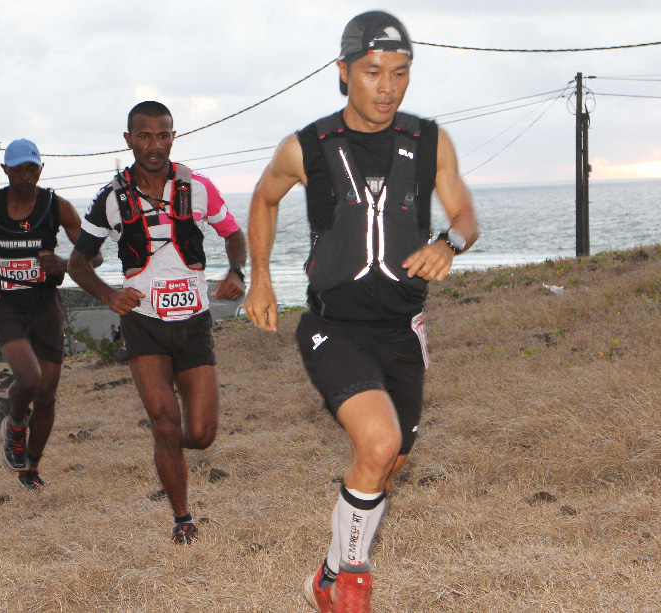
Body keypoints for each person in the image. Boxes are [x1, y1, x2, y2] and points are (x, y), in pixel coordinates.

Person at [242, 12, 480, 612]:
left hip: (402, 329)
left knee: (388, 463)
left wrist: (447, 244)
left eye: (400, 73)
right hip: (333, 327)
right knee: (377, 444)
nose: (388, 87)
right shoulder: (307, 148)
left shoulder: (430, 143)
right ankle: (349, 589)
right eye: (373, 72)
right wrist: (261, 278)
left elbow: (465, 217)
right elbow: (264, 199)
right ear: (343, 72)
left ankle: (326, 573)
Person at [68, 101, 246, 545]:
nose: (154, 145)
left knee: (200, 435)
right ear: (128, 140)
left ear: (172, 136)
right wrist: (109, 294)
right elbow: (77, 262)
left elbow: (234, 234)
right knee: (165, 422)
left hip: (193, 321)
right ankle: (182, 517)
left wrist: (236, 272)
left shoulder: (198, 188)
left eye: (163, 135)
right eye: (144, 136)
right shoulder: (110, 199)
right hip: (144, 322)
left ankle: (165, 452)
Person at [0, 138, 96, 489]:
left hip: (44, 304)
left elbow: (93, 255)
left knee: (47, 393)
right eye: (17, 168)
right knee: (29, 377)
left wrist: (64, 262)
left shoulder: (57, 207)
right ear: (5, 170)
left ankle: (30, 468)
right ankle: (16, 422)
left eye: (31, 168)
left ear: (40, 169)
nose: (25, 175)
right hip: (3, 304)